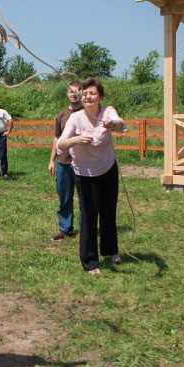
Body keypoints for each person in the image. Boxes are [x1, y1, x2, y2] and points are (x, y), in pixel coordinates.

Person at [57, 79, 125, 276]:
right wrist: (76, 140)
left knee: (108, 211)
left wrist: (113, 123)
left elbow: (121, 124)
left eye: (92, 93)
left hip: (108, 169)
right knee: (88, 215)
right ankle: (90, 262)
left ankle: (111, 250)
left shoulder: (107, 112)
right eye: (85, 93)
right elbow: (61, 144)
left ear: (100, 97)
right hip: (84, 173)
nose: (88, 96)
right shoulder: (75, 118)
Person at [48, 81, 83, 241]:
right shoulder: (61, 115)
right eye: (70, 91)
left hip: (83, 163)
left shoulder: (87, 113)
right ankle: (65, 229)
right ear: (67, 94)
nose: (73, 94)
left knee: (85, 198)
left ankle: (86, 230)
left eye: (76, 91)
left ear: (81, 93)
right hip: (64, 162)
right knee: (64, 196)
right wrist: (52, 160)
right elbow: (56, 138)